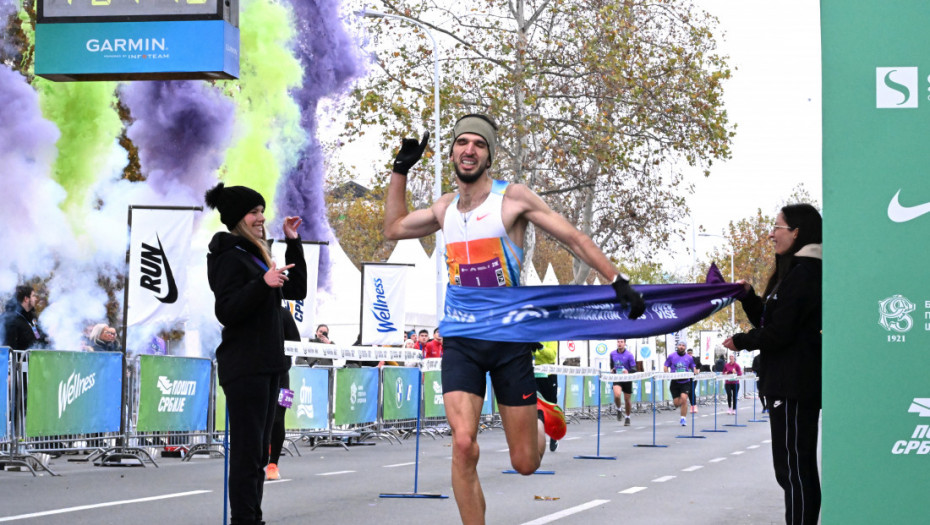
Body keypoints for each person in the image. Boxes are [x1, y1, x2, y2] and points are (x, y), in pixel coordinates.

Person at [383, 113, 645, 525]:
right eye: (462, 142)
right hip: (462, 338)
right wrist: (400, 170)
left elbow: (573, 237)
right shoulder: (444, 208)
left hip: (509, 340)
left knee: (525, 464)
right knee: (464, 443)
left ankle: (541, 415)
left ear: (489, 155)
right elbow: (393, 228)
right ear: (452, 151)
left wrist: (617, 280)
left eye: (479, 144)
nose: (469, 150)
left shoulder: (512, 199)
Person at [205, 182, 307, 525]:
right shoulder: (228, 256)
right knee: (248, 455)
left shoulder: (257, 252)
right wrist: (262, 284)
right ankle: (244, 520)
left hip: (269, 366)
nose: (261, 218)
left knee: (259, 454)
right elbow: (227, 309)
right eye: (254, 212)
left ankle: (253, 518)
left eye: (262, 211)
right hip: (245, 366)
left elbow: (297, 289)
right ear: (237, 218)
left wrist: (294, 244)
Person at [723, 203, 822, 525]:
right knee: (789, 469)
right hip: (782, 382)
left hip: (795, 383)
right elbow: (771, 319)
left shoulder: (806, 273)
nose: (771, 234)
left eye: (777, 227)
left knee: (796, 467)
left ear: (796, 232)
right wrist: (749, 297)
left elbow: (780, 332)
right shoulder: (791, 272)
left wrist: (742, 341)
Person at [266, 307, 300, 481]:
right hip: (258, 375)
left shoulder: (283, 314)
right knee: (260, 419)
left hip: (281, 375)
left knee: (278, 418)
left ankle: (273, 464)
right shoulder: (250, 309)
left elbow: (296, 342)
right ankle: (259, 459)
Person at [532, 341, 559, 451]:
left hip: (548, 374)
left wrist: (541, 347)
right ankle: (538, 436)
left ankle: (554, 435)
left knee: (550, 406)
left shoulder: (551, 336)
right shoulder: (533, 335)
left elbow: (552, 355)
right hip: (534, 373)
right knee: (537, 406)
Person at [3, 285, 48, 350]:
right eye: (33, 296)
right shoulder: (11, 320)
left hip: (34, 356)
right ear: (26, 299)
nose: (35, 299)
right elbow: (9, 346)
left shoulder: (32, 317)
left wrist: (44, 340)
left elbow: (37, 335)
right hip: (21, 359)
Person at [664, 340, 697, 426]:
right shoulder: (671, 356)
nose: (681, 347)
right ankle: (680, 407)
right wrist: (666, 373)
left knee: (684, 398)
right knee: (676, 403)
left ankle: (683, 418)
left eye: (683, 345)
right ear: (677, 346)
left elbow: (693, 367)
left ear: (685, 347)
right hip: (675, 382)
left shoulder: (689, 358)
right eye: (680, 345)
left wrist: (695, 371)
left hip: (685, 381)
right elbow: (665, 366)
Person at [609, 338, 636, 426]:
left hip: (627, 379)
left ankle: (627, 417)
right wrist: (612, 369)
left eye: (621, 342)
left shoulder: (629, 355)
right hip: (617, 378)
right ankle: (619, 409)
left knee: (627, 399)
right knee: (617, 395)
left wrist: (628, 371)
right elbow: (612, 365)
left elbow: (634, 369)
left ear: (625, 344)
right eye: (618, 342)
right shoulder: (612, 353)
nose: (619, 343)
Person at [686, 348, 700, 413]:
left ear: (692, 353)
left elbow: (700, 366)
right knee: (689, 392)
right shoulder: (684, 359)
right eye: (688, 353)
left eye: (690, 353)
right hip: (687, 378)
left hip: (694, 378)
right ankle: (692, 406)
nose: (689, 354)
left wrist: (698, 370)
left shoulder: (695, 359)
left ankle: (694, 406)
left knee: (692, 390)